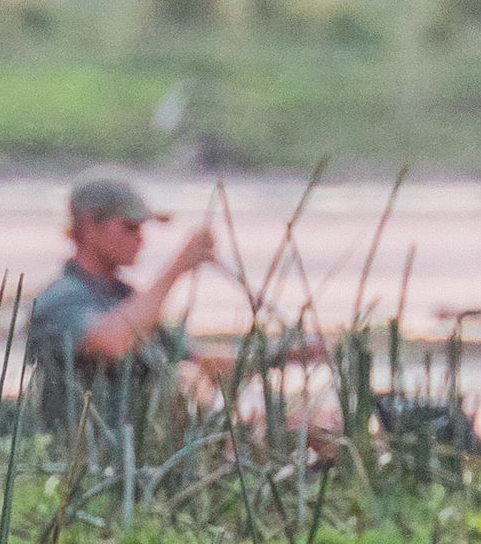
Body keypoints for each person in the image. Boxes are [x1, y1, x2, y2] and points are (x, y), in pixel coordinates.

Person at [23, 173, 319, 443]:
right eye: (129, 228)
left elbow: (197, 362)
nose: (140, 239)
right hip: (88, 451)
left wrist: (284, 354)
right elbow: (112, 341)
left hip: (137, 447)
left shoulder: (125, 298)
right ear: (88, 227)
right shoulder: (60, 299)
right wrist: (178, 267)